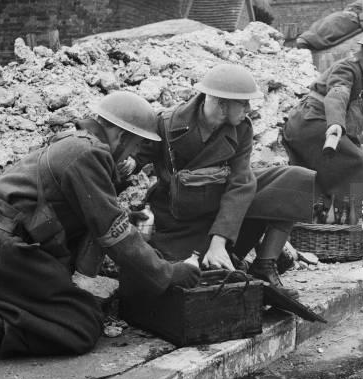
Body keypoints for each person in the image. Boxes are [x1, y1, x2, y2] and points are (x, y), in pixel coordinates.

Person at [0, 92, 201, 358]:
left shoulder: (76, 143)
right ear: (123, 136)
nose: (133, 154)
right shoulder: (89, 152)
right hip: (5, 247)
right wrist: (168, 273)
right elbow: (114, 233)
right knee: (83, 325)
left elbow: (89, 215)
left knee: (61, 309)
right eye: (136, 145)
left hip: (5, 243)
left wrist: (125, 218)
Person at [134, 64, 315, 297]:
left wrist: (218, 243)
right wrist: (128, 165)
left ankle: (264, 265)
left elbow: (240, 183)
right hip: (180, 219)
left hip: (221, 211)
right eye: (243, 102)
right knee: (189, 276)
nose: (249, 109)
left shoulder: (241, 129)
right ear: (221, 103)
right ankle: (228, 257)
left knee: (293, 180)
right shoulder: (167, 123)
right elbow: (134, 157)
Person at [283, 30, 363, 211]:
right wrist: (335, 123)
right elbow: (338, 93)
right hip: (311, 123)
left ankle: (340, 220)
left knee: (341, 173)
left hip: (320, 124)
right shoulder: (347, 68)